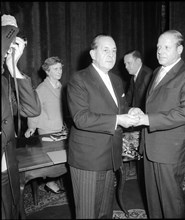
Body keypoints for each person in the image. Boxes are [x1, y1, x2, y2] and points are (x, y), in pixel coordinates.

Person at [129, 30, 185, 218]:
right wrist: (142, 112)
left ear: (180, 49)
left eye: (166, 47)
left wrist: (148, 119)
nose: (160, 51)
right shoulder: (157, 71)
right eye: (158, 47)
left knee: (170, 203)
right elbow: (156, 103)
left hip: (170, 150)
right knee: (153, 201)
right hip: (150, 146)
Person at [67, 34, 140, 219]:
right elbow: (81, 118)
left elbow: (120, 109)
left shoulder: (116, 80)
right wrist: (118, 120)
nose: (111, 54)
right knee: (88, 214)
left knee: (104, 213)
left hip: (111, 156)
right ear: (93, 53)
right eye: (105, 49)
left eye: (114, 50)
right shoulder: (79, 79)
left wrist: (131, 111)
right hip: (89, 160)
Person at [1, 14, 41, 219]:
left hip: (7, 168)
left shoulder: (6, 83)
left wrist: (13, 68)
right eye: (9, 37)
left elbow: (32, 110)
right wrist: (8, 29)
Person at [25, 56, 65, 194]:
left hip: (59, 127)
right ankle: (50, 182)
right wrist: (31, 127)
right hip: (47, 129)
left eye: (60, 68)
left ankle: (51, 181)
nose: (59, 71)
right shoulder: (41, 89)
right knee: (53, 161)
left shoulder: (60, 86)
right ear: (47, 71)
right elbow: (34, 111)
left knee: (60, 160)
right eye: (55, 69)